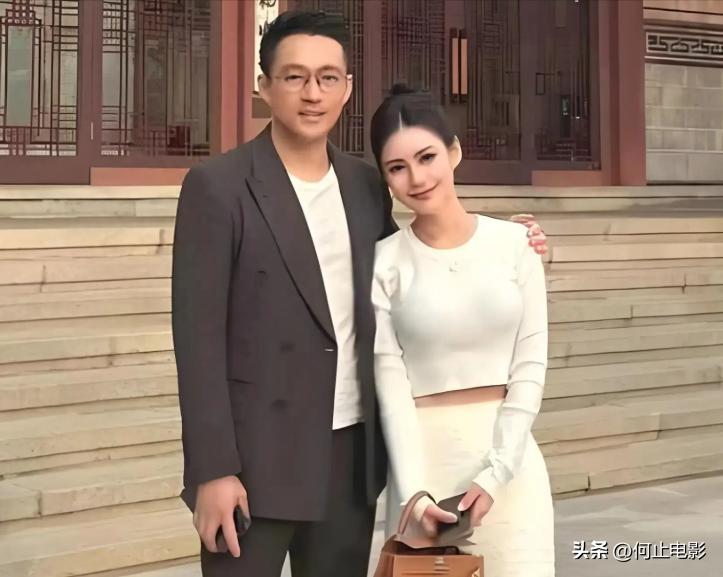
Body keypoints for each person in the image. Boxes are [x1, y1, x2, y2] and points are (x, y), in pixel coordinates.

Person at [172, 10, 547, 577]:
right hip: (254, 463)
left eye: (328, 77)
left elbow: (418, 270)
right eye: (294, 77)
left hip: (348, 463)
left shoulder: (365, 185)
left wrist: (513, 244)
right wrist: (213, 470)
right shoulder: (218, 187)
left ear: (347, 88)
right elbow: (197, 339)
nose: (312, 93)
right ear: (264, 86)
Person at [370, 85, 555, 576]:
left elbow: (530, 364)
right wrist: (413, 494)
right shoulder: (385, 263)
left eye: (427, 157)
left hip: (510, 468)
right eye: (397, 167)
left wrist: (497, 472)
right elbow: (391, 387)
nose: (417, 178)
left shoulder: (515, 244)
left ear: (453, 151)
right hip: (423, 470)